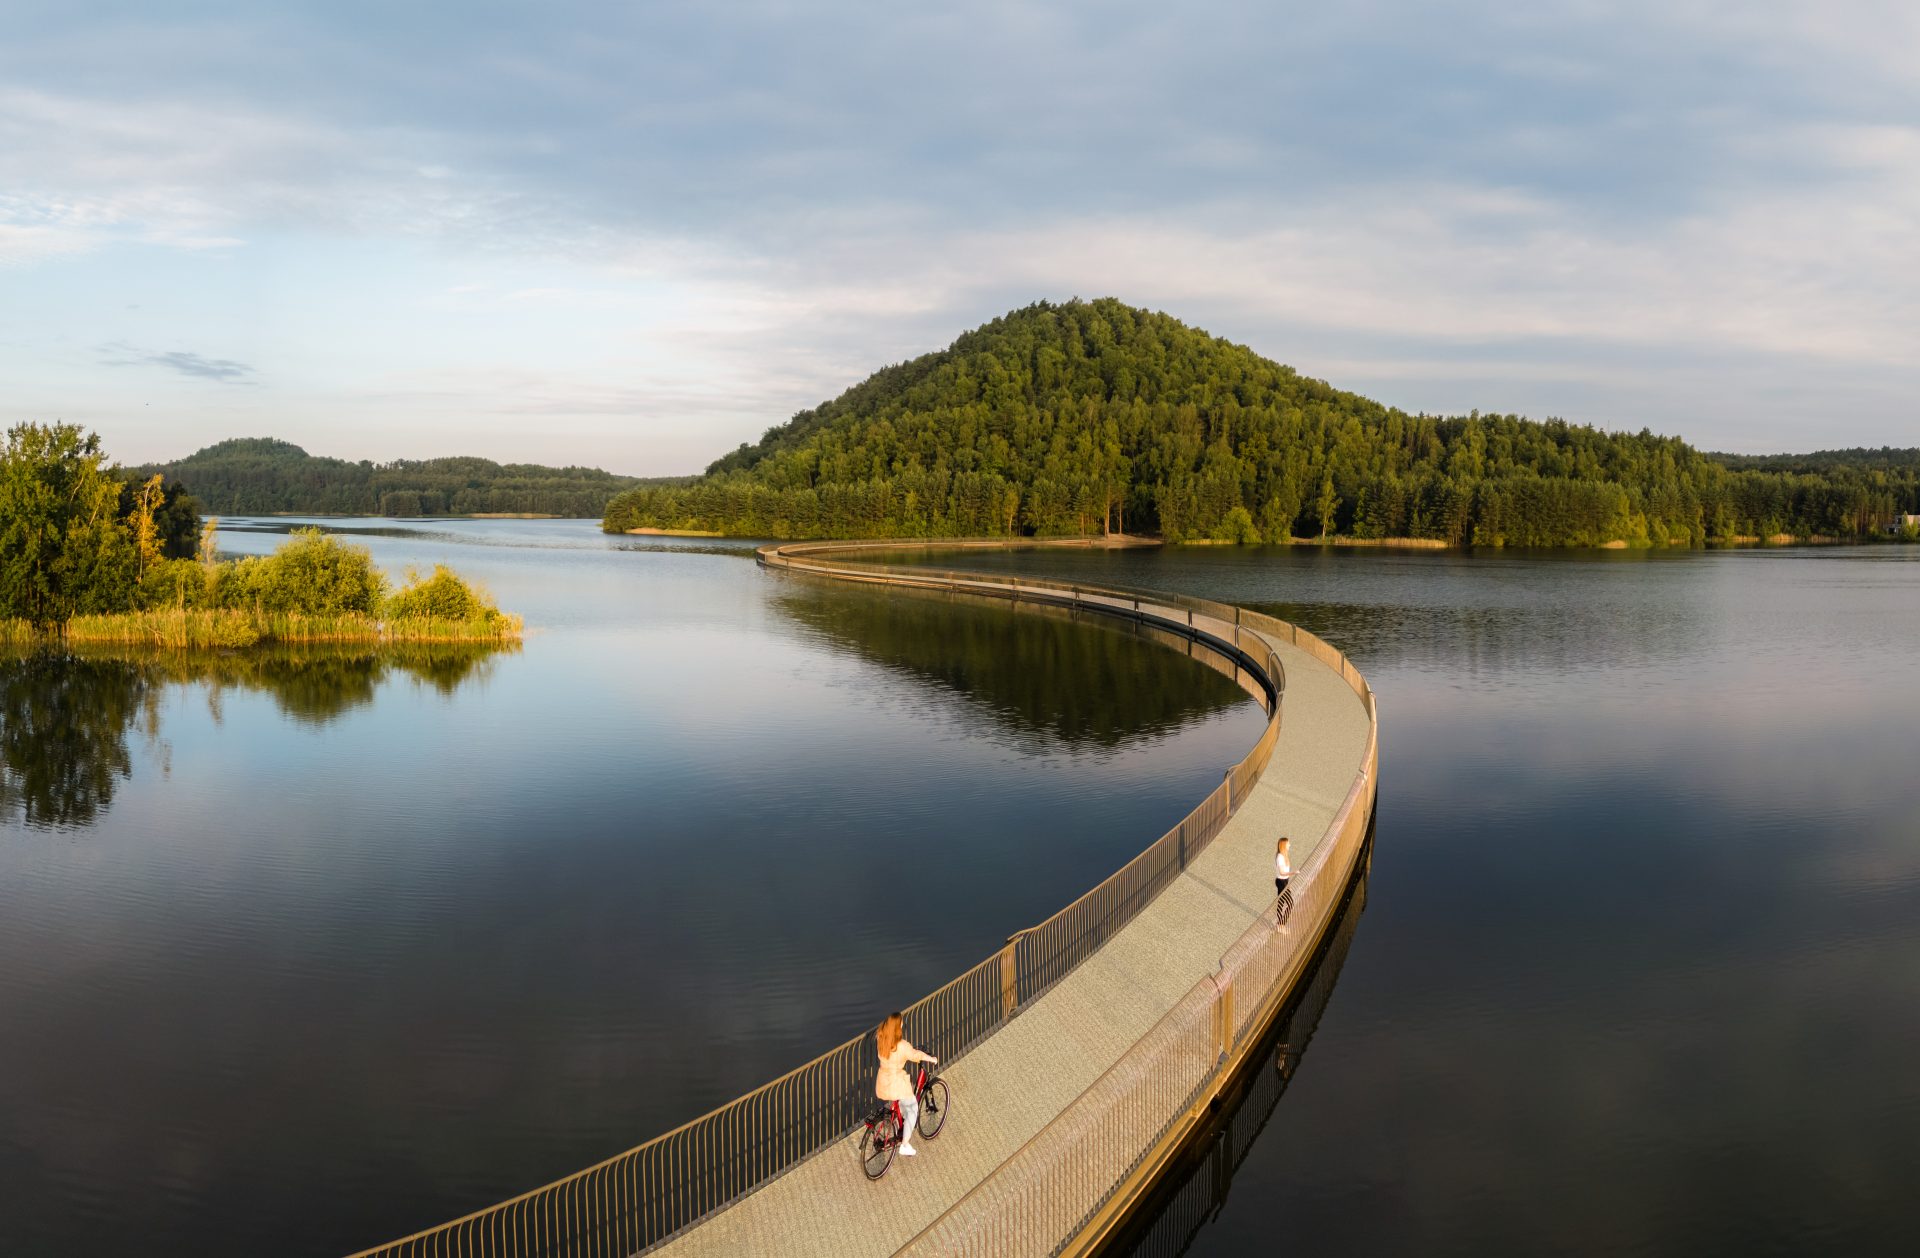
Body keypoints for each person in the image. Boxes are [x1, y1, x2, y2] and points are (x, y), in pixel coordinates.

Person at [875, 1011, 938, 1157]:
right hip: (896, 1084)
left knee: (901, 1105)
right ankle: (904, 1145)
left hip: (883, 1081)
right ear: (897, 1028)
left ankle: (898, 1119)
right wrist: (932, 1059)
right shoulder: (902, 1046)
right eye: (901, 1023)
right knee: (913, 1109)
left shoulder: (881, 1038)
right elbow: (916, 1055)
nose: (903, 1024)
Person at [1274, 836, 1294, 928]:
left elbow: (1285, 875)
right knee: (1289, 903)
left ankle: (1280, 924)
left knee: (1282, 902)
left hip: (1285, 881)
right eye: (1288, 843)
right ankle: (1281, 924)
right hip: (1281, 882)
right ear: (1284, 845)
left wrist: (1288, 884)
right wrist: (1293, 873)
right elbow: (1282, 873)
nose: (1289, 845)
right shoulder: (1280, 857)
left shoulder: (1284, 856)